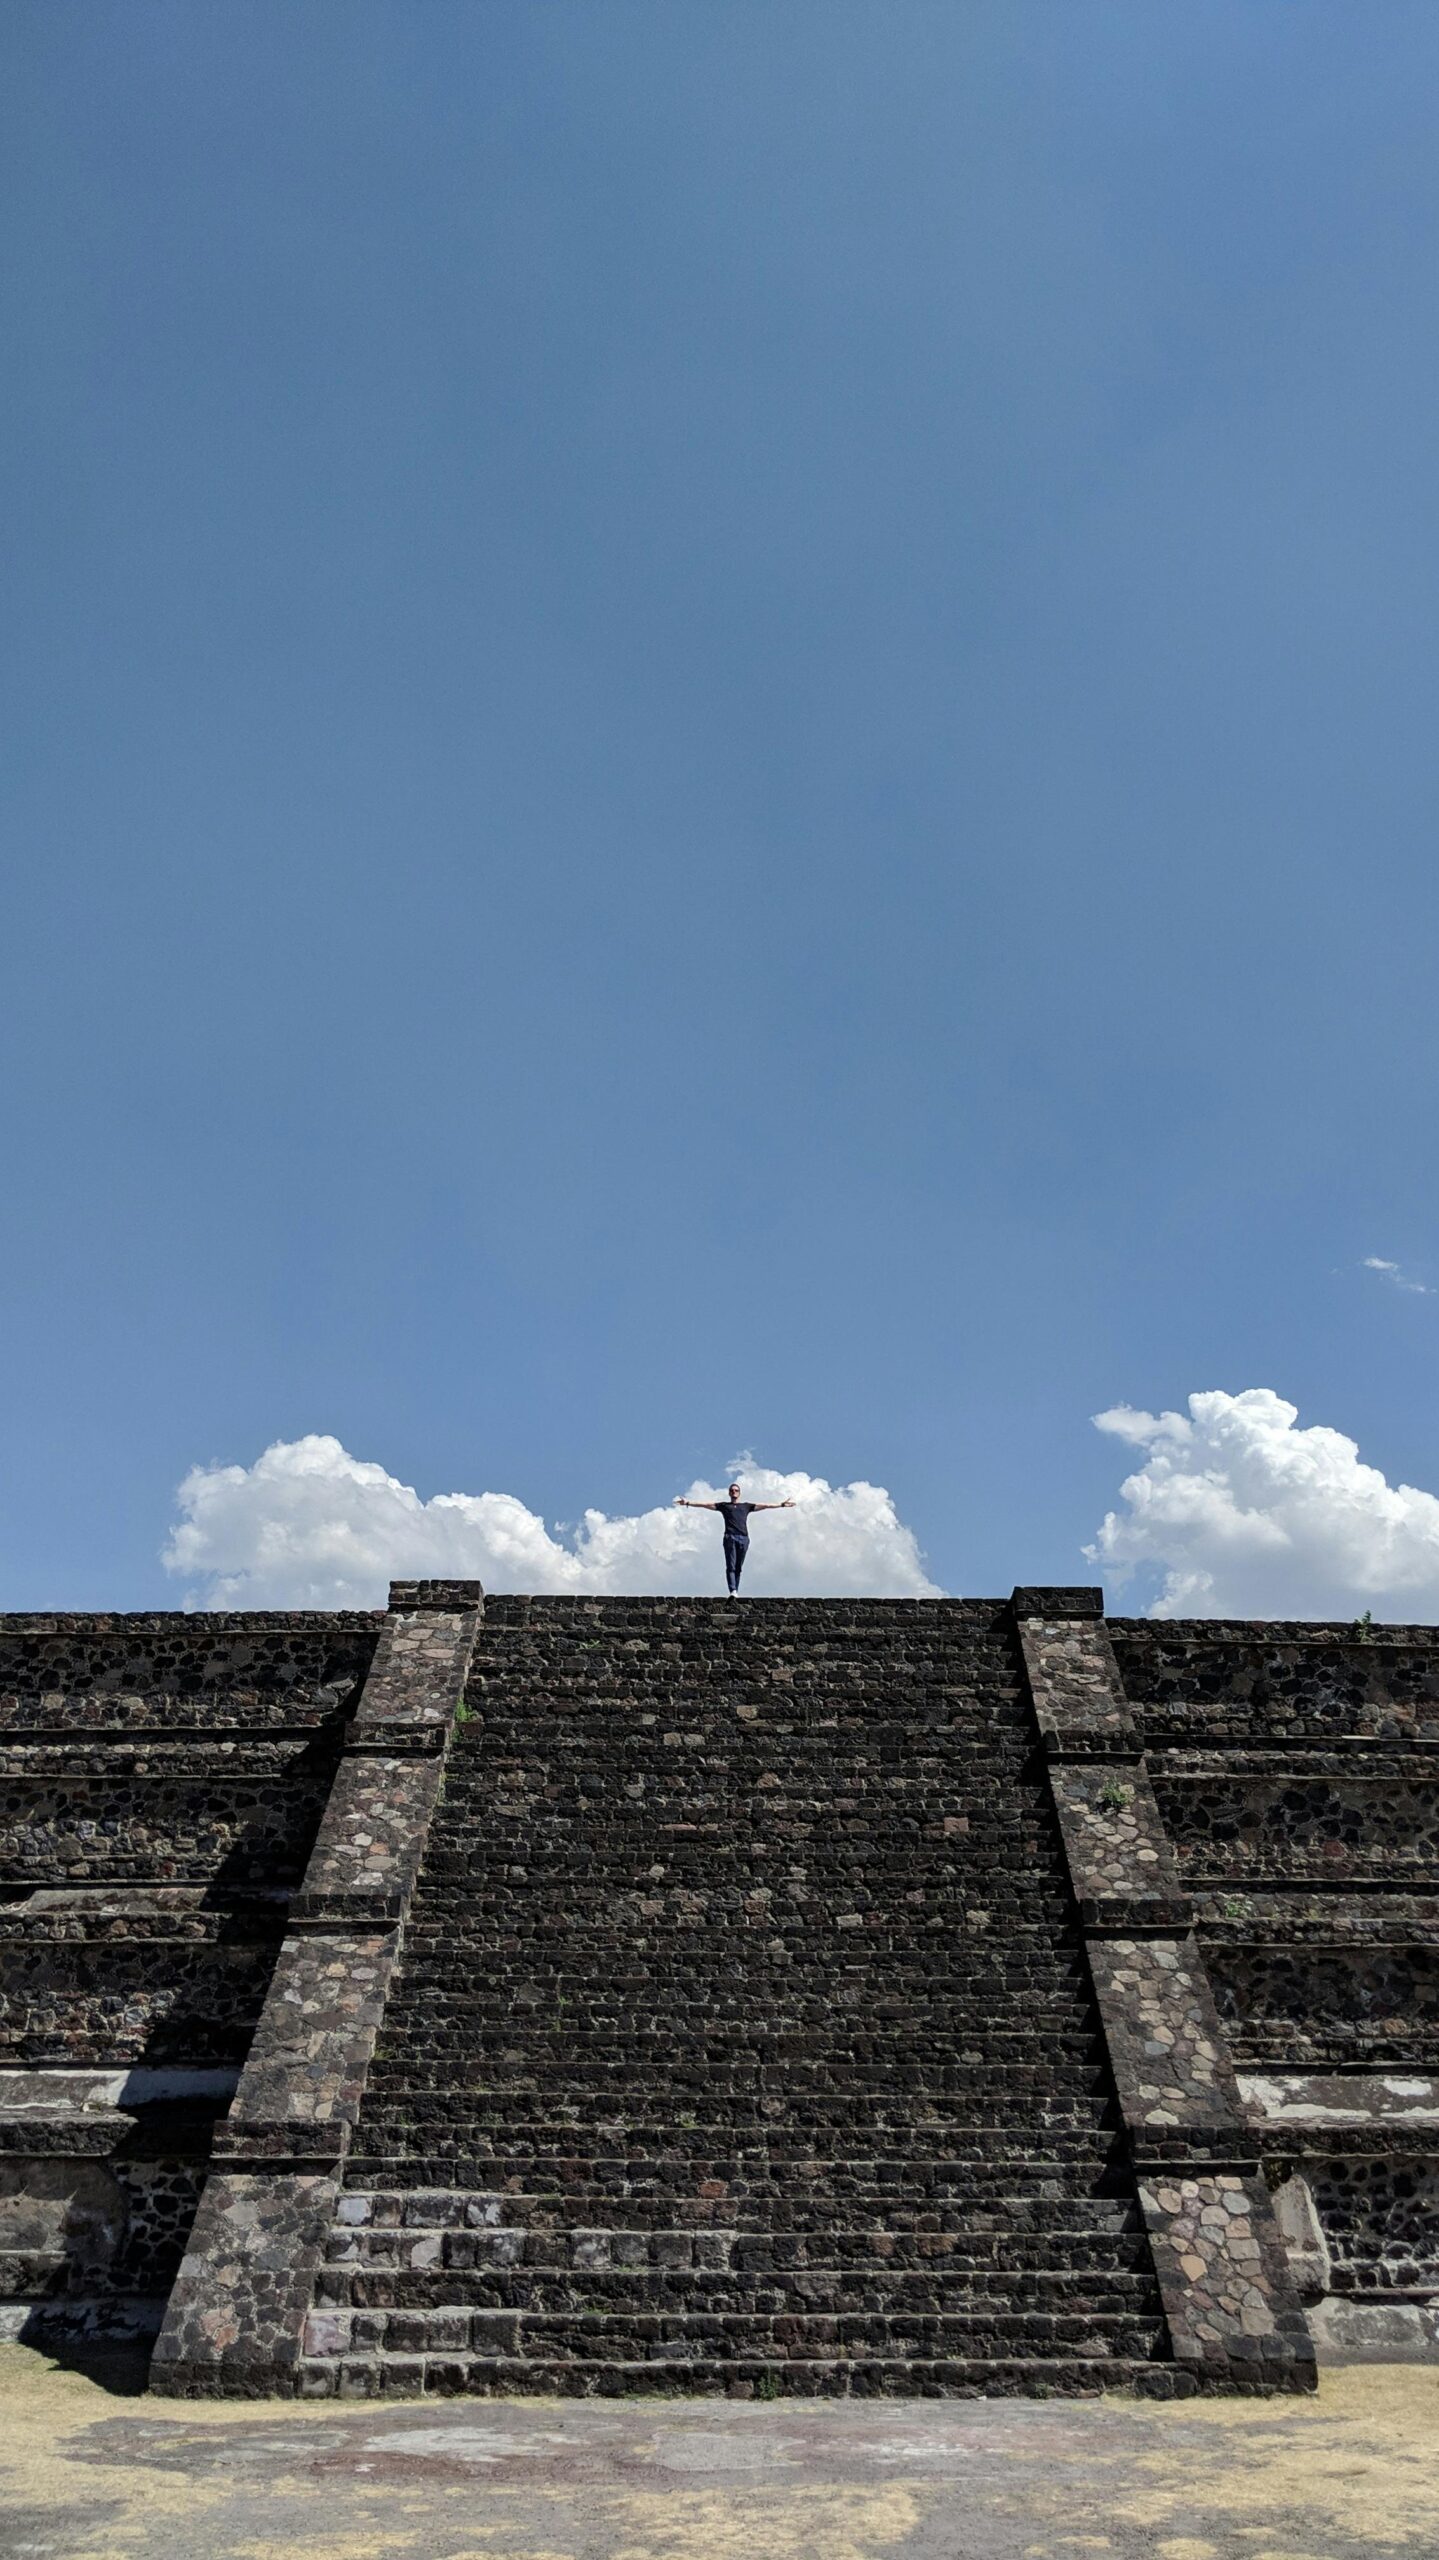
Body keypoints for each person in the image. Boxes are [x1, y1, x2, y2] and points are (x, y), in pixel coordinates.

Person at [675, 1480, 795, 1594]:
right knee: (731, 1565)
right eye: (732, 1490)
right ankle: (733, 1590)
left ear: (739, 1493)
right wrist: (688, 1502)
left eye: (736, 1490)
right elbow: (706, 1505)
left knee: (738, 1567)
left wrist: (781, 1505)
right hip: (730, 1537)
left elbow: (765, 1506)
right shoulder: (724, 1506)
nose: (734, 1492)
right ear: (729, 1493)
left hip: (743, 1538)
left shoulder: (746, 1506)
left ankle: (735, 1590)